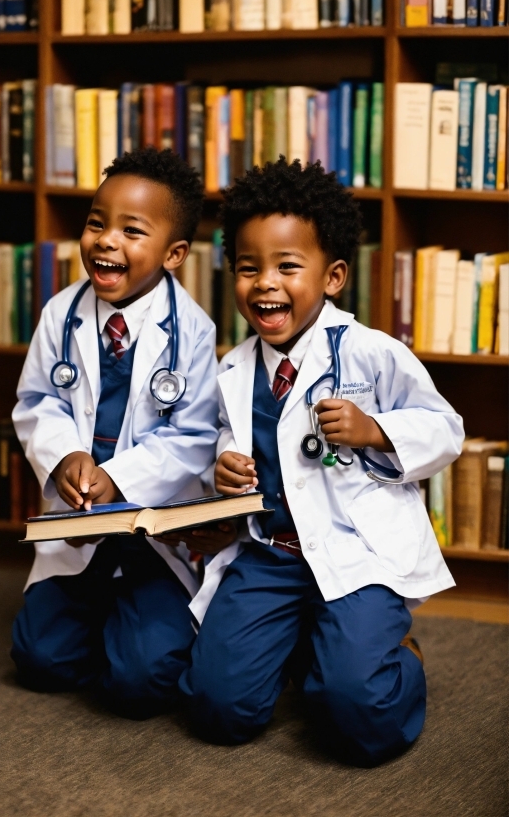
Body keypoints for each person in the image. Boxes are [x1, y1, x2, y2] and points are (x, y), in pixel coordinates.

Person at [177, 157, 464, 765]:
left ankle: (399, 659)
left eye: (287, 266)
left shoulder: (370, 353)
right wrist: (223, 469)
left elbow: (445, 429)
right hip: (273, 555)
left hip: (357, 553)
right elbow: (227, 442)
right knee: (215, 709)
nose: (265, 284)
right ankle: (307, 647)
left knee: (360, 720)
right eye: (248, 268)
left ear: (332, 276)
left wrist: (377, 429)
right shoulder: (233, 370)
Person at [11, 148, 219, 719]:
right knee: (39, 661)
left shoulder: (193, 332)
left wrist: (116, 478)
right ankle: (107, 617)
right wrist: (69, 454)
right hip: (77, 523)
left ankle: (141, 627)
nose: (106, 241)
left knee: (139, 684)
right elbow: (36, 402)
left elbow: (192, 436)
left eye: (132, 230)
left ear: (174, 253)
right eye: (97, 223)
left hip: (153, 533)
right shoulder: (62, 314)